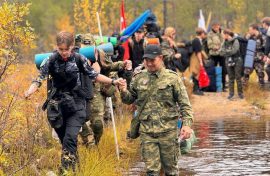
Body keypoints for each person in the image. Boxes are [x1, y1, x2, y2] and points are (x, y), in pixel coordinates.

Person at [24, 31, 124, 173]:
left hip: (77, 105)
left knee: (69, 139)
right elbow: (39, 79)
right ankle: (77, 170)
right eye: (61, 49)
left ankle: (65, 171)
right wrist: (30, 91)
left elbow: (94, 75)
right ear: (57, 47)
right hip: (57, 107)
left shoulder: (79, 59)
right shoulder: (51, 60)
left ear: (72, 46)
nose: (64, 53)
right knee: (66, 141)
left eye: (66, 49)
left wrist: (113, 81)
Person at [119, 44, 193, 176]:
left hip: (168, 133)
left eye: (152, 60)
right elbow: (129, 99)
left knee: (171, 171)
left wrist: (186, 125)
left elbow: (185, 105)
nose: (149, 63)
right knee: (152, 171)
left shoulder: (172, 78)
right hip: (147, 133)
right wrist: (124, 90)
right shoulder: (138, 78)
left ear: (161, 58)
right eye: (146, 60)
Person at [220, 29, 243, 99]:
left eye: (223, 35)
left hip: (237, 60)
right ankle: (231, 94)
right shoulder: (224, 42)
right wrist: (227, 52)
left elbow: (234, 51)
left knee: (238, 77)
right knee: (230, 78)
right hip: (228, 61)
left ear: (227, 34)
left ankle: (240, 93)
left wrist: (226, 52)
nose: (222, 36)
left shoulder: (235, 40)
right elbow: (221, 52)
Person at [207, 22, 227, 91]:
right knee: (213, 70)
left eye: (218, 26)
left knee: (223, 70)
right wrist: (215, 47)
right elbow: (209, 45)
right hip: (213, 54)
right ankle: (213, 86)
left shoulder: (221, 33)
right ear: (212, 27)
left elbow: (224, 42)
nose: (217, 27)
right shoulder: (210, 34)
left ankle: (224, 86)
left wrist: (221, 33)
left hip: (221, 54)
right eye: (215, 26)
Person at [190, 27, 207, 95]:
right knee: (196, 73)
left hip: (196, 57)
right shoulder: (197, 41)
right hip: (195, 58)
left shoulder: (197, 40)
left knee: (197, 73)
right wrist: (200, 61)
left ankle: (197, 88)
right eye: (204, 33)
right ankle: (195, 89)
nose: (204, 35)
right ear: (201, 33)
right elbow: (198, 52)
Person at [261, 17, 270, 82]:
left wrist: (266, 55)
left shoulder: (269, 30)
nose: (262, 25)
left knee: (267, 68)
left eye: (263, 23)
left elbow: (268, 44)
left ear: (265, 23)